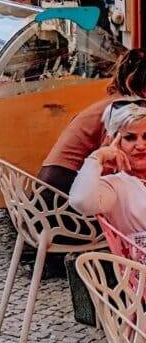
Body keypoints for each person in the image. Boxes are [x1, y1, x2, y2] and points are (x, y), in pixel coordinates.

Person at [39, 46, 146, 192]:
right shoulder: (123, 109)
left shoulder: (117, 102)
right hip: (63, 192)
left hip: (49, 186)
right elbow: (109, 163)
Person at [69, 100, 146, 235]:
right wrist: (97, 157)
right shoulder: (115, 185)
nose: (140, 145)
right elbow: (81, 201)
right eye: (130, 138)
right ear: (115, 142)